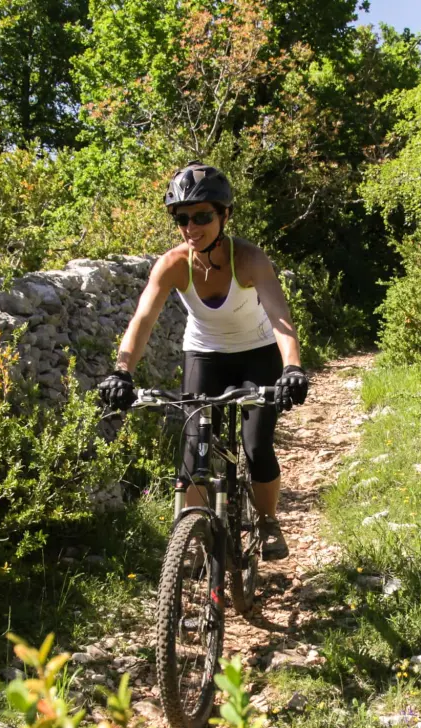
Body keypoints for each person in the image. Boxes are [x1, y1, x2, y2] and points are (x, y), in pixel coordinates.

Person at [98, 161, 308, 560]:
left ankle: (267, 521)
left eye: (202, 217)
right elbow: (142, 320)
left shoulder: (250, 259)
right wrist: (121, 371)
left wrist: (292, 368)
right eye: (182, 219)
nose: (191, 227)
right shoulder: (173, 264)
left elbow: (280, 316)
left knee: (256, 445)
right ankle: (191, 540)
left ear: (224, 215)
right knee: (193, 446)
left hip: (257, 353)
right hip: (204, 353)